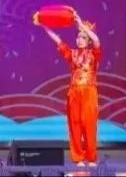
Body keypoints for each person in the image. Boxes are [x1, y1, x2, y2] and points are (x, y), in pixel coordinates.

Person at [39, 13, 101, 167]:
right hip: (74, 93)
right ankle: (78, 157)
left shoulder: (95, 54)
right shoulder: (72, 53)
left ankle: (91, 157)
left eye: (83, 37)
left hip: (89, 92)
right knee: (75, 125)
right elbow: (58, 40)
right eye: (78, 37)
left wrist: (81, 25)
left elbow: (96, 41)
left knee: (89, 124)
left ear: (88, 40)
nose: (80, 39)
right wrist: (44, 26)